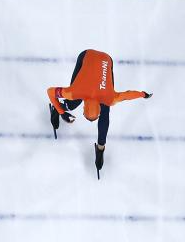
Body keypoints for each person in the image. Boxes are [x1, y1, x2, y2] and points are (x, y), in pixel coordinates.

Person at [47, 49, 152, 177]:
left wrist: (143, 94)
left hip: (102, 59)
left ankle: (100, 148)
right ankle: (58, 109)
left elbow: (128, 95)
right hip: (90, 57)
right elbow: (50, 91)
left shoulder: (107, 98)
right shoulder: (75, 92)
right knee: (74, 103)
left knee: (82, 106)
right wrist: (61, 112)